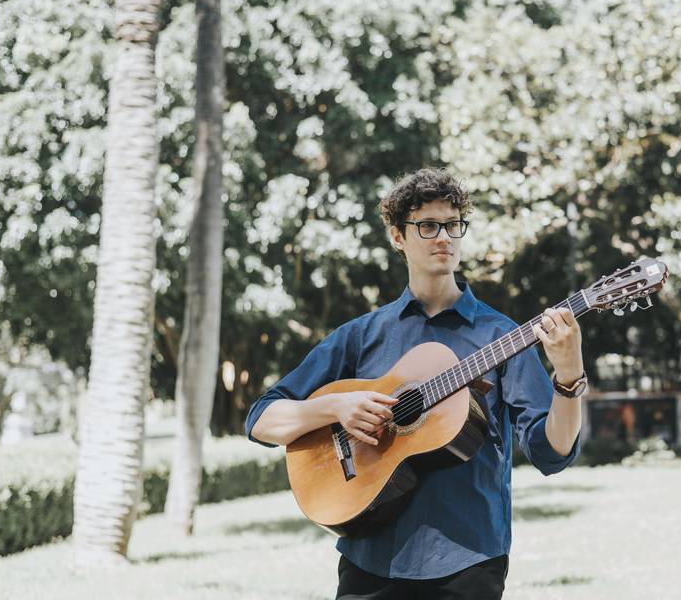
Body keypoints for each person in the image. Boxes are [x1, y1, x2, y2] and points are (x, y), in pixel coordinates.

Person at [245, 167, 587, 600]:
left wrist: (569, 376)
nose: (443, 236)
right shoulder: (362, 335)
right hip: (371, 556)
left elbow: (551, 451)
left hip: (468, 558)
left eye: (452, 224)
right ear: (397, 236)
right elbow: (261, 419)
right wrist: (336, 409)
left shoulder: (502, 337)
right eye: (427, 225)